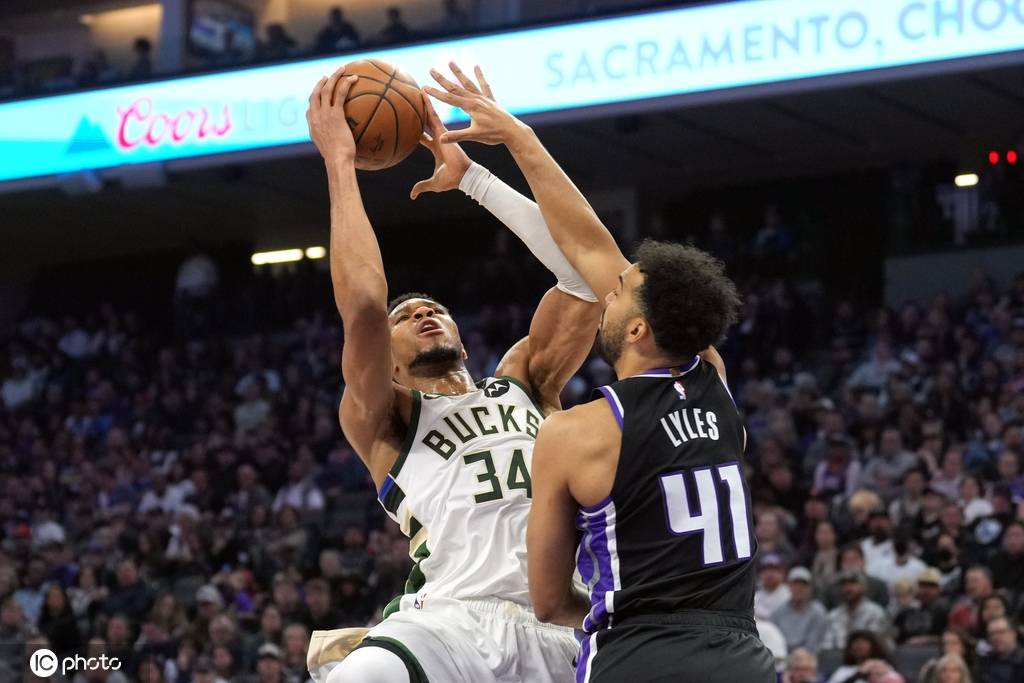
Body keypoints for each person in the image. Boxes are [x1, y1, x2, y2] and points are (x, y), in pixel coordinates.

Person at [422, 64, 774, 682]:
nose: (607, 294)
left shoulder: (574, 432)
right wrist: (492, 161)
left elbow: (549, 601)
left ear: (637, 330)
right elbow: (587, 248)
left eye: (620, 294)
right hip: (740, 657)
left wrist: (518, 139)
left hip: (637, 656)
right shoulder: (713, 381)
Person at [305, 69, 600, 683]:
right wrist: (339, 162)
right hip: (449, 621)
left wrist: (475, 180)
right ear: (384, 359)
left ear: (462, 337)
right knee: (363, 678)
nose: (423, 313)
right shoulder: (384, 417)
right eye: (406, 317)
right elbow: (364, 304)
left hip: (565, 620)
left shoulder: (524, 381)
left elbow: (585, 277)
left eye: (434, 309)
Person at [822, 570, 890, 650]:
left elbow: (874, 645)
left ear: (864, 587)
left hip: (869, 656)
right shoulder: (833, 616)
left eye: (853, 583)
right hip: (838, 655)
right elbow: (827, 646)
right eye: (844, 584)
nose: (848, 588)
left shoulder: (875, 612)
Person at [771, 566, 828, 654]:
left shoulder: (818, 612)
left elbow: (813, 644)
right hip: (781, 656)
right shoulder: (778, 612)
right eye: (795, 584)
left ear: (810, 588)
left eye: (803, 585)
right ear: (789, 586)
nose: (799, 588)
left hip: (808, 657)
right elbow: (774, 640)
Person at [975, 616, 1024, 683]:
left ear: (1013, 633)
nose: (996, 637)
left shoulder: (1021, 660)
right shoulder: (984, 662)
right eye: (991, 634)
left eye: (1001, 632)